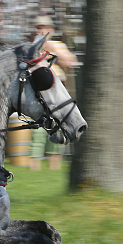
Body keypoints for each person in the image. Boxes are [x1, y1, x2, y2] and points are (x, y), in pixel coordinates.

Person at [28, 16, 78, 170]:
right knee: (38, 132)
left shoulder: (57, 45)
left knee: (57, 128)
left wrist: (53, 51)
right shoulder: (32, 48)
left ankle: (53, 167)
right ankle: (34, 168)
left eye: (42, 27)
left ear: (51, 30)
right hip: (39, 93)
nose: (38, 30)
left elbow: (71, 62)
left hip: (57, 91)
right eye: (37, 27)